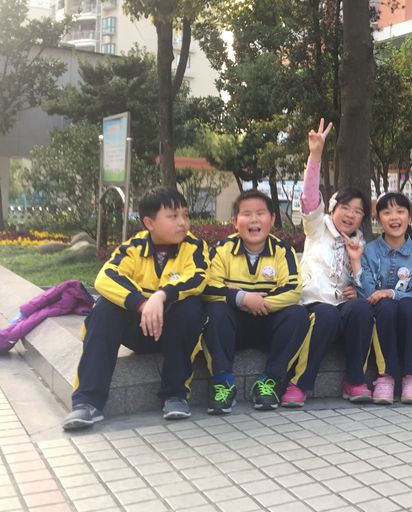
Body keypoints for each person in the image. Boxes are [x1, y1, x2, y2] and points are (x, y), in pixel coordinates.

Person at [62, 187, 208, 430]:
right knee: (105, 308)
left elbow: (198, 277)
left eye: (185, 215)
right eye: (173, 216)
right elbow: (106, 277)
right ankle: (88, 403)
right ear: (150, 222)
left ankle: (175, 395)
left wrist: (161, 296)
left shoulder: (194, 247)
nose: (183, 222)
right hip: (139, 330)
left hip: (174, 333)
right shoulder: (133, 247)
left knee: (191, 308)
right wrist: (141, 303)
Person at [286, 119, 374, 405]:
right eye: (345, 207)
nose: (350, 215)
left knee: (361, 309)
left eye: (358, 211)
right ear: (333, 208)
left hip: (342, 307)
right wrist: (315, 155)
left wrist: (356, 275)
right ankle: (300, 384)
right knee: (327, 315)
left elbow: (366, 289)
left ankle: (355, 380)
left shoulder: (359, 243)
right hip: (315, 304)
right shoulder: (317, 227)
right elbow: (310, 198)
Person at [202, 190, 310, 413]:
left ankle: (269, 381)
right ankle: (222, 383)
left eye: (260, 213)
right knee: (215, 310)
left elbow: (293, 290)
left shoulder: (283, 251)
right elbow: (208, 287)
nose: (254, 220)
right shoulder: (222, 250)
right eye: (246, 214)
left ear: (272, 218)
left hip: (268, 324)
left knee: (298, 315)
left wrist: (259, 303)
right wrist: (242, 298)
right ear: (235, 221)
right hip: (233, 327)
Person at [359, 192, 412, 405]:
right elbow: (368, 291)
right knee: (386, 307)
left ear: (410, 217)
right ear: (379, 219)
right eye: (387, 213)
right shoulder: (368, 251)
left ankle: (410, 376)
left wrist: (392, 293)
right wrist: (385, 296)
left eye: (400, 211)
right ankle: (385, 376)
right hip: (380, 310)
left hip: (408, 309)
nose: (394, 217)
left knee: (409, 306)